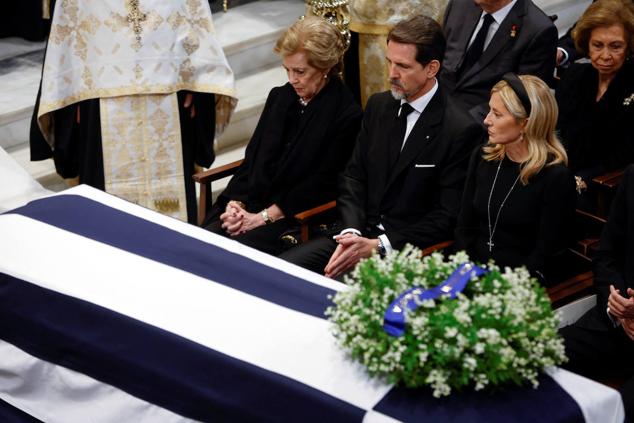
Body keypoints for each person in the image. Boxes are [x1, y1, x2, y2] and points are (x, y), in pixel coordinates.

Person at [280, 15, 484, 278]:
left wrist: (379, 246)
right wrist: (352, 232)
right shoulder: (379, 106)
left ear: (431, 68)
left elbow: (446, 218)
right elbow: (353, 176)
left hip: (405, 254)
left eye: (403, 66)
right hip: (354, 235)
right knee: (280, 273)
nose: (391, 74)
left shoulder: (460, 130)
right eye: (389, 61)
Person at [29, 0, 237, 224]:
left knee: (171, 213)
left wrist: (196, 87)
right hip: (103, 108)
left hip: (168, 100)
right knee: (109, 223)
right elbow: (69, 46)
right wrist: (75, 100)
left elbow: (196, 34)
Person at [203, 16, 362, 256]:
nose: (292, 79)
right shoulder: (280, 97)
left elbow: (322, 185)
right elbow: (252, 161)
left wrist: (262, 218)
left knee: (230, 255)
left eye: (300, 71)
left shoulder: (346, 114)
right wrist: (236, 205)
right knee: (202, 240)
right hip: (253, 205)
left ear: (325, 67)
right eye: (287, 70)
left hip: (295, 217)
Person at [454, 74, 575, 284]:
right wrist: (462, 271)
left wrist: (501, 288)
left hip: (518, 286)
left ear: (525, 124)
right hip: (471, 272)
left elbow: (545, 254)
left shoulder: (554, 177)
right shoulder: (483, 156)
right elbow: (465, 226)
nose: (486, 120)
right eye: (489, 109)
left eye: (497, 114)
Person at [560, 164, 634, 420]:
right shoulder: (633, 175)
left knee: (623, 409)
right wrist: (620, 304)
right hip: (616, 321)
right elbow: (606, 255)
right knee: (541, 355)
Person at [556, 0, 634, 212]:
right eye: (597, 45)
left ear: (628, 47)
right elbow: (555, 134)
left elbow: (622, 160)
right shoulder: (575, 77)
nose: (606, 56)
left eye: (616, 46)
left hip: (604, 190)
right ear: (586, 44)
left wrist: (577, 181)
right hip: (559, 175)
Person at [441, 0, 558, 123]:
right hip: (434, 106)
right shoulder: (460, 4)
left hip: (481, 124)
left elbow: (521, 100)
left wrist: (460, 125)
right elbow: (440, 59)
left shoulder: (538, 30)